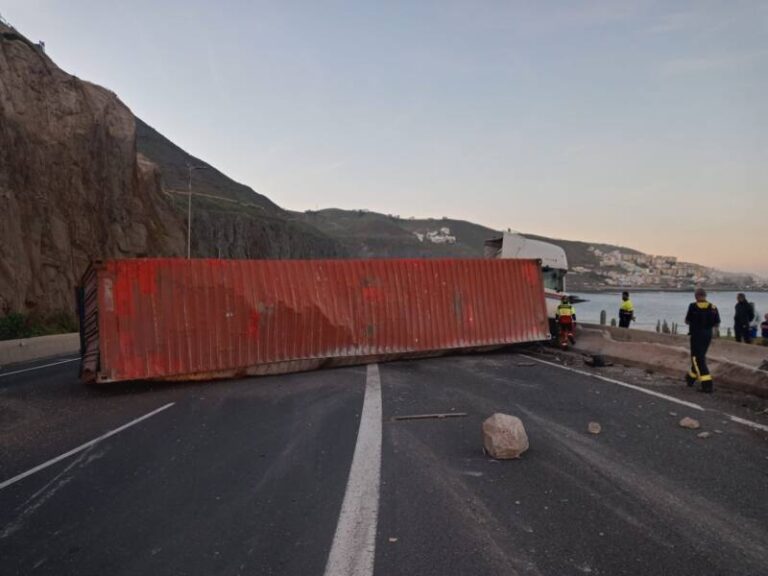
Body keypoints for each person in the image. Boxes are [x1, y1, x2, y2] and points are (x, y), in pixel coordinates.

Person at [684, 288, 721, 393]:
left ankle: (707, 384)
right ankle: (690, 378)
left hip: (697, 335)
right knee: (700, 356)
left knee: (697, 359)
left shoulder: (693, 306)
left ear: (696, 296)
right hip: (707, 335)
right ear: (705, 296)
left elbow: (687, 321)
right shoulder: (713, 307)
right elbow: (717, 323)